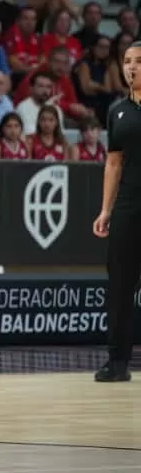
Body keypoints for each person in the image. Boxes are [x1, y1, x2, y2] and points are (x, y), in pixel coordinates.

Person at [93, 41, 141, 382]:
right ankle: (118, 362)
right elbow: (113, 162)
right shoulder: (117, 110)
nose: (131, 67)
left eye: (138, 61)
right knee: (121, 284)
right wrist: (105, 209)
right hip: (127, 204)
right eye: (126, 61)